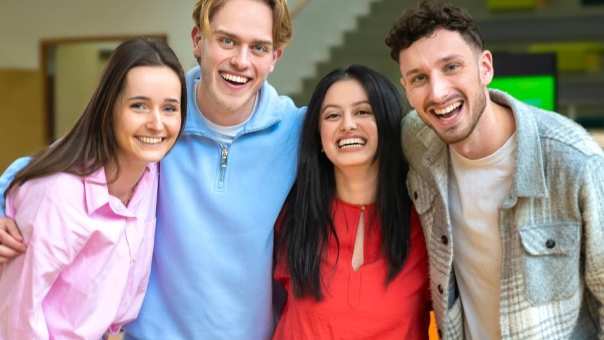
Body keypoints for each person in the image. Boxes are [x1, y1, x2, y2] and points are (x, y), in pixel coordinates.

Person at [0, 0, 304, 339]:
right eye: (227, 40)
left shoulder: (295, 131)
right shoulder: (159, 119)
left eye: (259, 47)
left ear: (275, 57)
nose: (241, 60)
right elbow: (51, 166)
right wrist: (2, 205)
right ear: (198, 40)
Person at [384, 1, 604, 339]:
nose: (438, 92)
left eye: (452, 67)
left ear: (485, 67)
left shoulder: (574, 161)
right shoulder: (416, 140)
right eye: (419, 78)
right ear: (406, 89)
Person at [0, 37, 186, 339]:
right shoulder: (60, 194)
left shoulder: (150, 174)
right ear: (108, 108)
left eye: (169, 108)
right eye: (139, 106)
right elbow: (18, 315)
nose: (157, 123)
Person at [273, 65, 430, 339]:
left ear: (387, 123)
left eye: (363, 112)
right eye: (333, 115)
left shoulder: (427, 224)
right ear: (319, 135)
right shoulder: (288, 216)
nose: (347, 124)